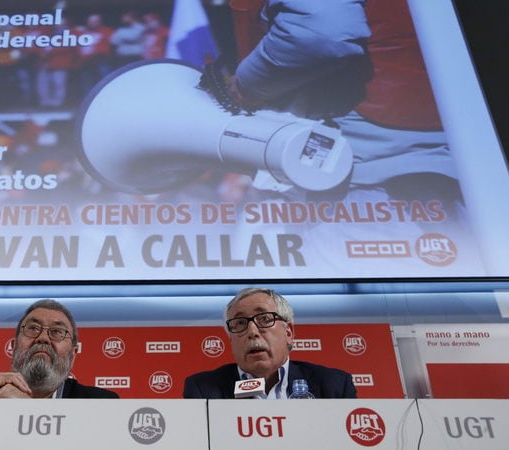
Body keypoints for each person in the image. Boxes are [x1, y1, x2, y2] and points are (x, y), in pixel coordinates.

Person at [223, 0, 484, 275]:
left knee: (364, 313)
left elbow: (322, 29)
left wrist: (248, 85)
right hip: (444, 165)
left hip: (362, 181)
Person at [183, 287, 356, 399]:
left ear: (288, 332)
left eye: (265, 319)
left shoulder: (334, 386)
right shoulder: (203, 390)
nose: (252, 332)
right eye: (240, 323)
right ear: (230, 339)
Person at [0, 299, 119, 398]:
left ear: (73, 354)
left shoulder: (100, 401)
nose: (42, 338)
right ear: (14, 346)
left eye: (57, 332)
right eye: (32, 328)